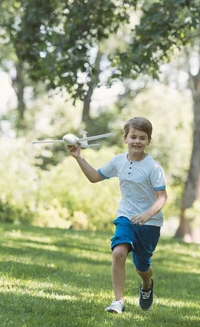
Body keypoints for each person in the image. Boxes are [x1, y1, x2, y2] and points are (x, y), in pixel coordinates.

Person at [68, 117, 167, 314]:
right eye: (133, 137)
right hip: (126, 217)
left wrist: (147, 215)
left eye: (142, 138)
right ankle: (118, 301)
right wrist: (79, 157)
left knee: (142, 267)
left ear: (148, 141)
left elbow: (162, 197)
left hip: (150, 223)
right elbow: (95, 177)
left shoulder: (153, 168)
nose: (137, 141)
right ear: (125, 138)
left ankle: (147, 284)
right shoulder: (118, 161)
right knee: (118, 253)